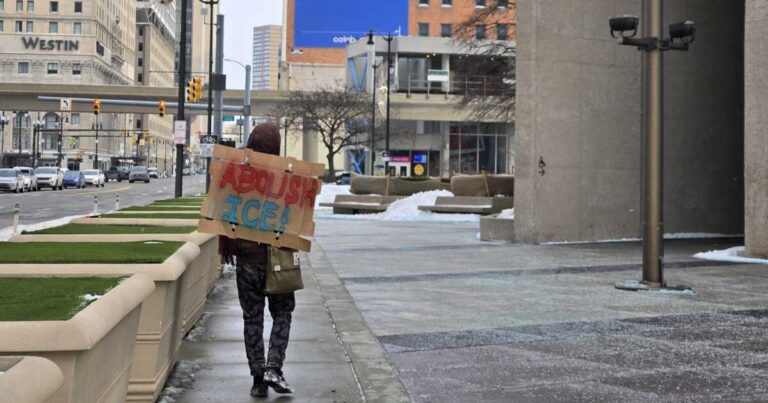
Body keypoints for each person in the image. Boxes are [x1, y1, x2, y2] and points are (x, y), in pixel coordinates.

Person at [219, 123, 295, 398]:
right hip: (278, 260)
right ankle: (274, 366)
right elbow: (297, 218)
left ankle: (258, 379)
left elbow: (222, 211)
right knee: (283, 313)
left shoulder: (237, 174)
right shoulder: (288, 177)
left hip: (248, 259)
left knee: (252, 318)